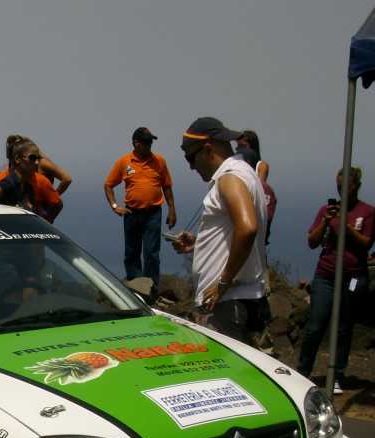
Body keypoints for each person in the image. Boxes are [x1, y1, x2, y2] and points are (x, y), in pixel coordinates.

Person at [171, 117, 268, 344]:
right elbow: (237, 230)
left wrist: (222, 284)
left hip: (228, 302)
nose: (190, 165)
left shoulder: (229, 178)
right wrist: (199, 243)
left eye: (190, 157)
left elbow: (247, 228)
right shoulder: (244, 173)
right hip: (236, 299)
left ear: (207, 149)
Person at [297, 167, 375, 391]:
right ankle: (303, 371)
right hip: (326, 274)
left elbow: (366, 243)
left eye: (346, 186)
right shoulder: (327, 210)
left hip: (352, 275)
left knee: (343, 326)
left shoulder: (368, 212)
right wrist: (326, 221)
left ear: (356, 186)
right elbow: (312, 241)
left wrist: (346, 226)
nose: (341, 190)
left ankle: (338, 374)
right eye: (338, 186)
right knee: (315, 326)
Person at [104, 127, 177, 299]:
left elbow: (166, 186)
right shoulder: (124, 162)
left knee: (151, 252)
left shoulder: (159, 161)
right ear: (137, 143)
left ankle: (152, 290)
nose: (150, 145)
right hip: (131, 213)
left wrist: (172, 209)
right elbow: (108, 185)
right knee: (131, 252)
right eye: (146, 142)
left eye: (151, 142)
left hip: (153, 213)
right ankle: (135, 288)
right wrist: (115, 206)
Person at [0, 135, 63, 222]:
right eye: (32, 158)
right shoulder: (4, 182)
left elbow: (57, 204)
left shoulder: (30, 185)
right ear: (17, 158)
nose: (37, 162)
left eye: (38, 158)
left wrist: (44, 223)